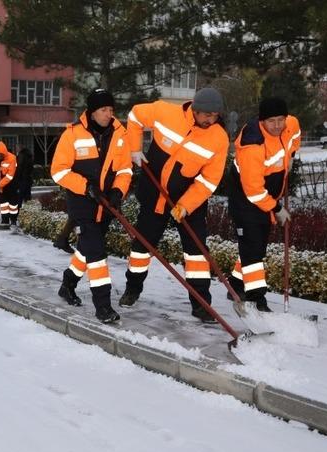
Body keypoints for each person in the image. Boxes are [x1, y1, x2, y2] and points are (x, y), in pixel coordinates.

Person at [118, 87, 229, 323]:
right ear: (195, 109)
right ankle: (132, 289)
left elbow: (209, 180)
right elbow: (136, 116)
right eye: (206, 115)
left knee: (197, 252)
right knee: (142, 245)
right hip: (154, 194)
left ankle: (201, 304)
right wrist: (134, 148)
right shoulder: (165, 112)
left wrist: (186, 205)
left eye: (215, 115)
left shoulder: (218, 138)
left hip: (189, 200)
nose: (211, 120)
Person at [50, 88, 132, 323]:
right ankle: (103, 306)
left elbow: (125, 169)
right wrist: (85, 186)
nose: (109, 114)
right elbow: (58, 171)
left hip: (106, 203)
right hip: (82, 203)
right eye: (104, 110)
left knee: (86, 248)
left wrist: (118, 191)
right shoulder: (73, 134)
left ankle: (67, 285)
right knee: (96, 253)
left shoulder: (119, 133)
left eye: (111, 109)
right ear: (92, 112)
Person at [227, 97, 300, 312]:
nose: (277, 126)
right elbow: (254, 191)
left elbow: (294, 136)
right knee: (253, 250)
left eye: (280, 120)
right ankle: (257, 300)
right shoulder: (253, 143)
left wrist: (292, 154)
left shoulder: (290, 125)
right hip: (245, 199)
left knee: (257, 247)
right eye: (271, 121)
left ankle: (236, 284)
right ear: (262, 121)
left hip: (266, 195)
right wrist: (277, 209)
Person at [0, 141, 19, 226]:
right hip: (3, 187)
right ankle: (5, 220)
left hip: (11, 186)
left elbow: (10, 176)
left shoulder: (12, 158)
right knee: (4, 205)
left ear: (3, 153)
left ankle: (13, 220)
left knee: (13, 205)